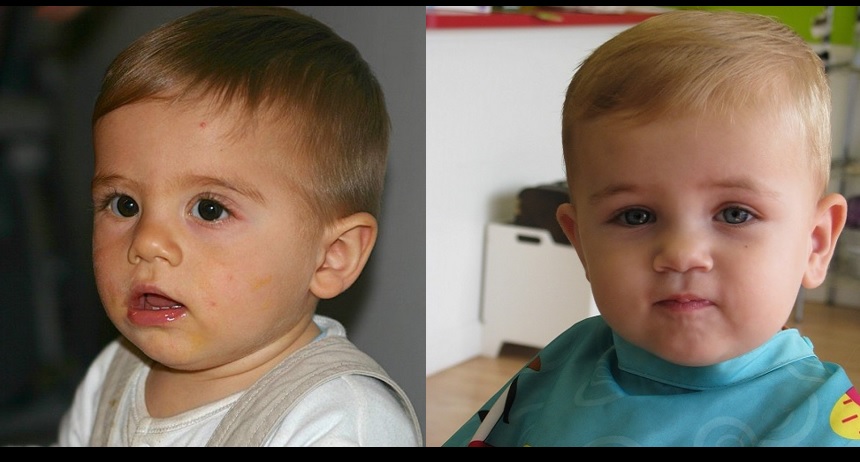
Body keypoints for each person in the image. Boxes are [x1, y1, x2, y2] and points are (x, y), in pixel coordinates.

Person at [444, 9, 860, 447]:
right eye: (635, 216)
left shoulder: (821, 424)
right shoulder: (566, 359)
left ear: (815, 244)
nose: (682, 252)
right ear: (581, 242)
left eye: (735, 214)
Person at [54, 6, 422, 446]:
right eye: (124, 203)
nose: (147, 241)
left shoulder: (338, 422)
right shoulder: (113, 373)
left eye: (209, 209)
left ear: (331, 256)